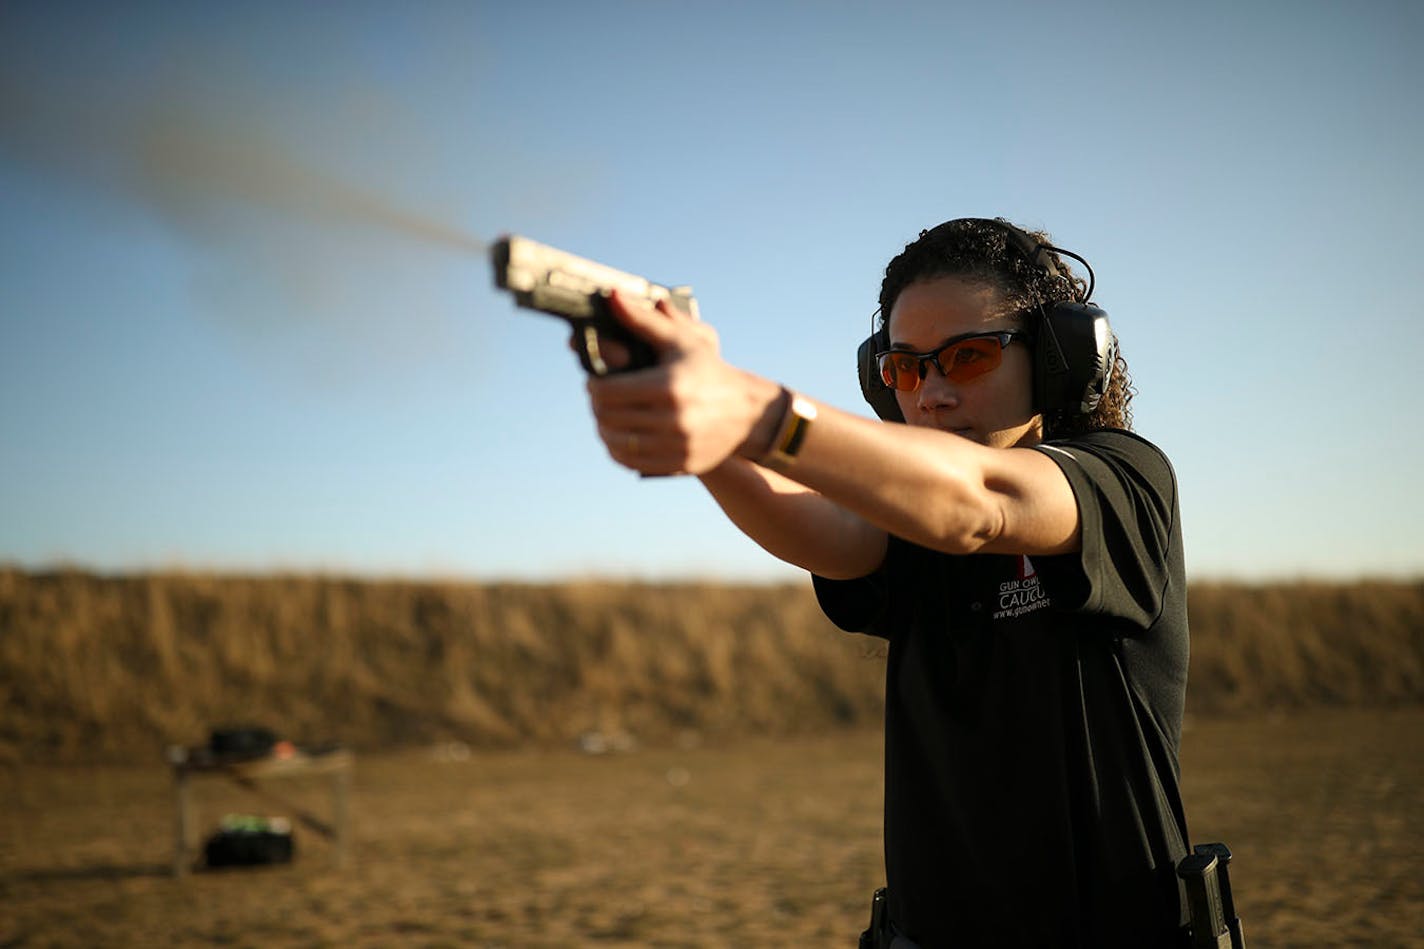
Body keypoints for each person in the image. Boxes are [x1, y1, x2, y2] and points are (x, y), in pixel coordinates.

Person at [582, 217, 1192, 947]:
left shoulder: (1122, 479)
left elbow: (983, 503)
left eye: (968, 357)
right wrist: (711, 440)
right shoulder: (914, 517)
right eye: (907, 368)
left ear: (1057, 359)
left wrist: (753, 410)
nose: (930, 393)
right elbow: (824, 527)